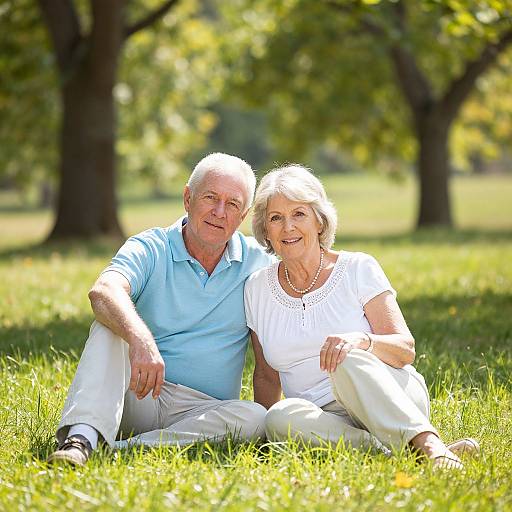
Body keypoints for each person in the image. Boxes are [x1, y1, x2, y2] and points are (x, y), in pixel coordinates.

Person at [244, 164, 479, 469]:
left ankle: (430, 446)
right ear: (265, 230)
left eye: (299, 214)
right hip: (324, 419)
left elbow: (404, 348)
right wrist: (267, 442)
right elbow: (265, 374)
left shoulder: (357, 268)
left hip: (391, 397)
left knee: (347, 356)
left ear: (319, 220)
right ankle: (392, 452)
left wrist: (363, 341)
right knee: (278, 418)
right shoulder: (257, 288)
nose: (288, 227)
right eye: (276, 218)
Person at [48, 153, 274, 466]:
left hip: (203, 410)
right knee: (108, 325)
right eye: (210, 197)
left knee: (256, 418)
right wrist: (140, 338)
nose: (219, 212)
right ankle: (82, 439)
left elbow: (307, 279)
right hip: (138, 394)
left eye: (232, 203)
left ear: (243, 214)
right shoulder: (151, 246)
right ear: (187, 198)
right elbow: (103, 291)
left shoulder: (258, 263)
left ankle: (121, 450)